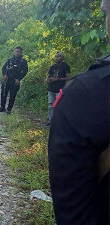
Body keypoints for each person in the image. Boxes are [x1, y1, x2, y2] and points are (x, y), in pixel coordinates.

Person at [48, 0, 110, 224]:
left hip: (63, 93)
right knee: (49, 107)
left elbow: (72, 214)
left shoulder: (85, 97)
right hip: (53, 90)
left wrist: (61, 81)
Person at [0, 46, 28, 114]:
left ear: (21, 52)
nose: (16, 53)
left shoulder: (23, 61)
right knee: (3, 94)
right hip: (7, 80)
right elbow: (4, 68)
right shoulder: (9, 60)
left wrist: (19, 79)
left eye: (18, 51)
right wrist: (4, 75)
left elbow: (25, 71)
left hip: (15, 81)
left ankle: (9, 109)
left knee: (12, 95)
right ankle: (2, 107)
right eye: (16, 51)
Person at [44, 51, 71, 126]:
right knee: (50, 105)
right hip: (51, 89)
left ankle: (60, 122)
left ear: (62, 57)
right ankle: (51, 121)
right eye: (56, 56)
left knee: (59, 105)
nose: (56, 58)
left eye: (58, 56)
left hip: (60, 89)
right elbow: (48, 76)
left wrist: (57, 79)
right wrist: (47, 79)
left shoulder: (65, 66)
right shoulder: (52, 66)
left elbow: (69, 77)